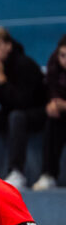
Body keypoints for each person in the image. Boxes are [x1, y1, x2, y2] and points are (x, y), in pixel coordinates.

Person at [0, 27, 47, 190]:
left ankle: (17, 172)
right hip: (10, 113)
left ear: (8, 45)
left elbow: (23, 102)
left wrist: (1, 78)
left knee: (17, 116)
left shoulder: (25, 64)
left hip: (37, 112)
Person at [32, 34, 66, 191]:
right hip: (61, 114)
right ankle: (48, 174)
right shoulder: (54, 64)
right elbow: (50, 89)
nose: (65, 60)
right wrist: (52, 103)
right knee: (53, 121)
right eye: (62, 55)